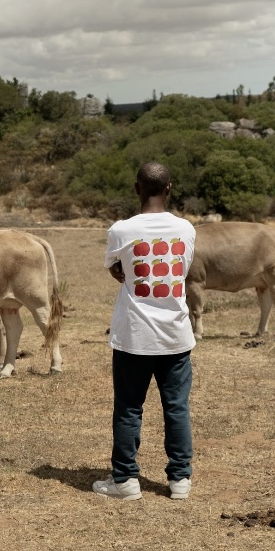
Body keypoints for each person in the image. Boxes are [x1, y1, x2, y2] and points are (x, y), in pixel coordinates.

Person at [94, 162, 196, 501]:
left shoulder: (121, 230)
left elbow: (115, 267)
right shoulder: (186, 229)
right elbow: (181, 272)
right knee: (177, 407)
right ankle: (179, 480)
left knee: (128, 408)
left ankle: (124, 481)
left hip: (134, 337)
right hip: (176, 336)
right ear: (170, 189)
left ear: (136, 189)